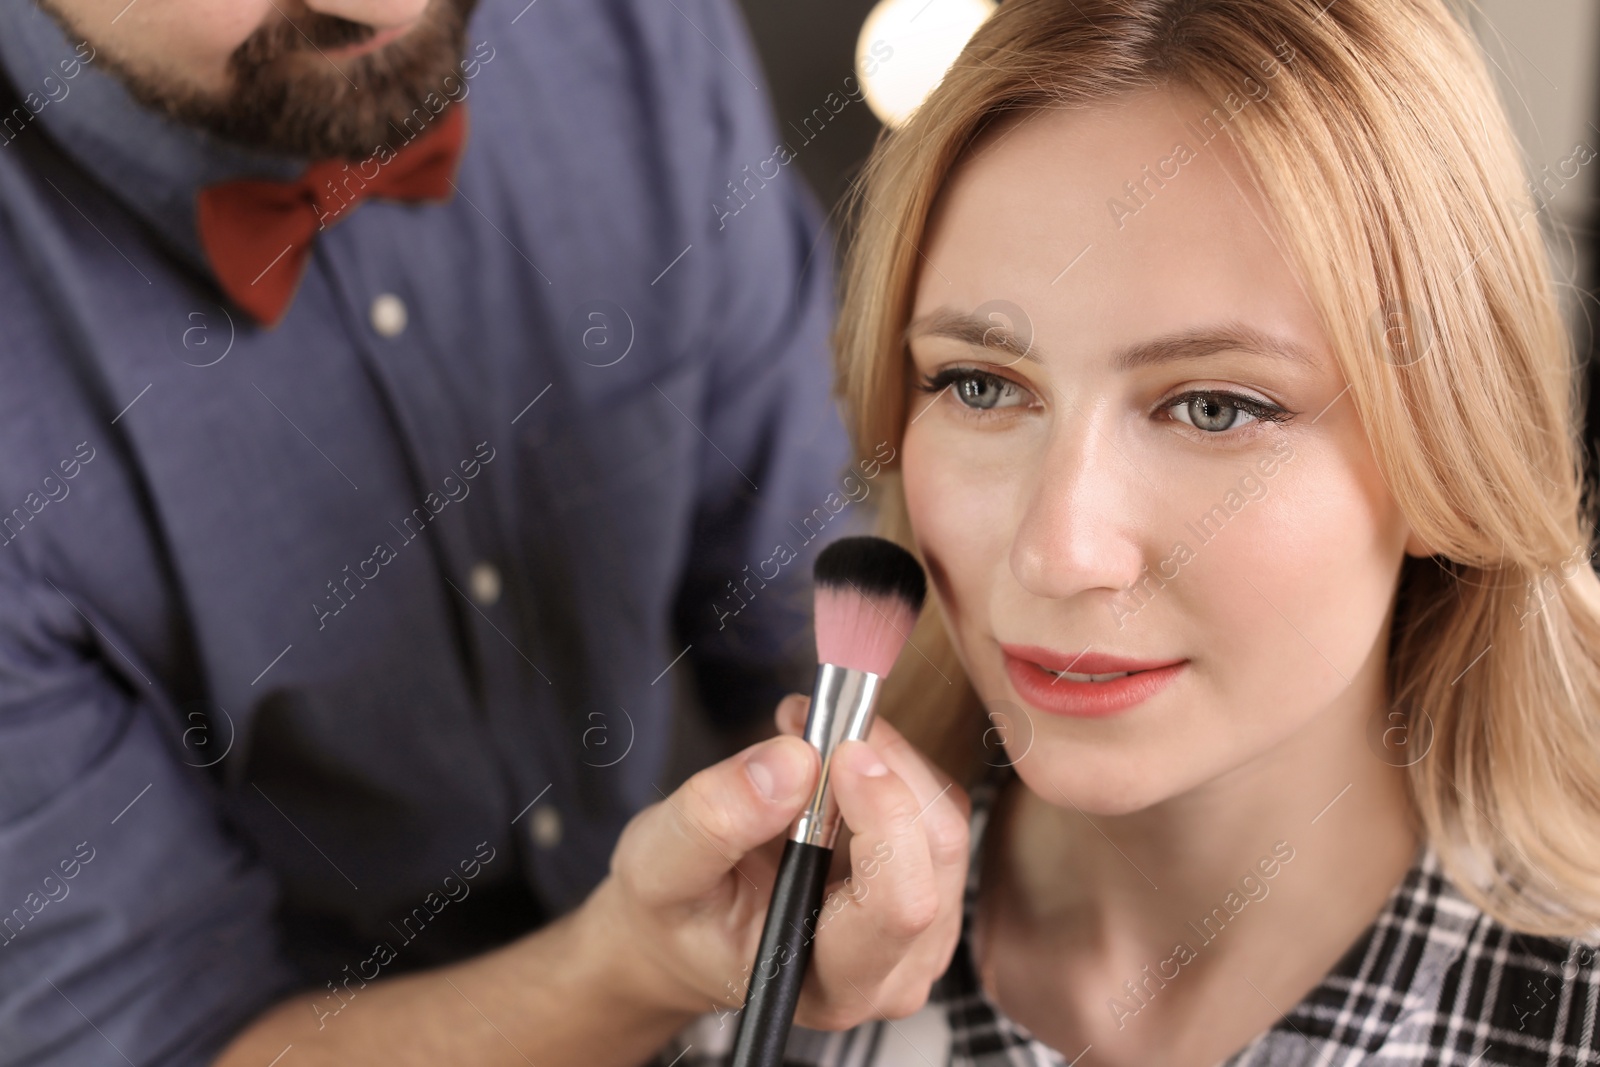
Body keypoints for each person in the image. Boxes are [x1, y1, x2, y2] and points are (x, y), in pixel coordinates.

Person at [0, 1, 975, 1064]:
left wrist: (891, 824)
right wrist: (638, 970)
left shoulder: (627, 29)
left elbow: (814, 577)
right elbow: (154, 1038)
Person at [652, 0, 1600, 1063]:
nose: (1056, 550)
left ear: (1445, 450)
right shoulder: (755, 982)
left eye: (1213, 407)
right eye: (978, 383)